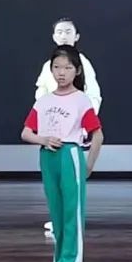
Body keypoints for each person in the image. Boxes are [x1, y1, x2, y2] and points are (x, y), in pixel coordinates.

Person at [22, 45, 104, 262]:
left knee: (72, 213)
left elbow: (97, 135)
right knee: (56, 213)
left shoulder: (81, 99)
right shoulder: (44, 101)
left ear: (76, 71)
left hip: (70, 154)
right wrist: (43, 139)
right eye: (57, 67)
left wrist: (89, 165)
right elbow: (26, 132)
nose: (61, 72)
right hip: (48, 156)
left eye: (67, 68)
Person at [36, 18, 102, 234]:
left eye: (68, 31)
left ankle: (71, 221)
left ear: (76, 36)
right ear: (54, 36)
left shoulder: (83, 63)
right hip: (52, 128)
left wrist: (85, 124)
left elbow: (93, 95)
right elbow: (41, 91)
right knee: (53, 181)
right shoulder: (48, 65)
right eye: (60, 32)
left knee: (71, 180)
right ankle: (58, 219)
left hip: (72, 129)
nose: (64, 35)